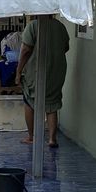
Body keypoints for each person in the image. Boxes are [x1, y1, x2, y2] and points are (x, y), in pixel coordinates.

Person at [14, 16, 70, 147]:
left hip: (36, 71)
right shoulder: (60, 27)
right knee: (52, 103)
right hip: (57, 71)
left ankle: (31, 136)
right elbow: (66, 47)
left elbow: (25, 50)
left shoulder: (33, 26)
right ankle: (52, 139)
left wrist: (18, 70)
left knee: (29, 100)